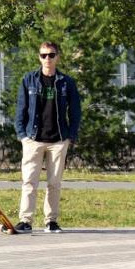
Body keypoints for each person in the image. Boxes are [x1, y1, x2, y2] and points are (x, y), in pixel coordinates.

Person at [14, 41, 81, 233]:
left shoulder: (67, 82)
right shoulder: (29, 80)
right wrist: (22, 136)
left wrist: (71, 135)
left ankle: (51, 221)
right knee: (29, 181)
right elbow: (21, 110)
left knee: (54, 183)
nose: (47, 59)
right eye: (43, 55)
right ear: (39, 57)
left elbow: (75, 110)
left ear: (57, 57)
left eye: (51, 55)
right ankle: (26, 221)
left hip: (58, 140)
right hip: (33, 139)